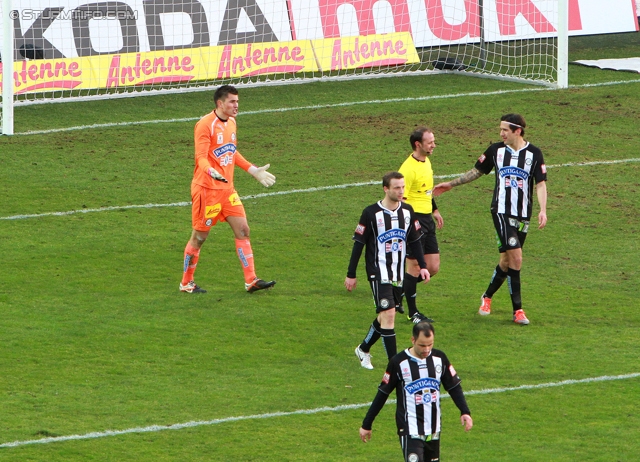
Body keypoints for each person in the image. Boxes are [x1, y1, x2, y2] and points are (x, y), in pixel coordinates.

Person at [432, 114, 547, 324]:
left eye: (505, 130)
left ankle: (486, 297)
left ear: (517, 131)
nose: (501, 133)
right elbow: (477, 171)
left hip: (523, 215)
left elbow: (540, 184)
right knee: (517, 258)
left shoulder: (534, 154)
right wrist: (451, 184)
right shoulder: (496, 151)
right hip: (500, 212)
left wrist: (543, 209)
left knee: (505, 261)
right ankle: (518, 311)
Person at [179, 85, 277, 294]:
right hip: (207, 191)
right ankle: (186, 282)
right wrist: (209, 171)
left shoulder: (232, 122)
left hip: (227, 191)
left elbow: (231, 151)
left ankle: (251, 280)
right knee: (199, 238)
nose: (236, 106)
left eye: (237, 101)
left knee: (243, 230)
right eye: (232, 102)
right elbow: (201, 157)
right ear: (220, 103)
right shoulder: (205, 125)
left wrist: (253, 170)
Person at [346, 172, 430, 370]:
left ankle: (363, 349)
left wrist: (423, 266)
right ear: (386, 189)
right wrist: (351, 274)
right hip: (378, 272)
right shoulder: (370, 213)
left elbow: (415, 241)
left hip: (397, 273)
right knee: (389, 314)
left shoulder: (408, 211)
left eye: (402, 187)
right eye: (396, 188)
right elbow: (358, 244)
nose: (401, 191)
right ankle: (396, 365)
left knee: (384, 316)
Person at [359, 321, 473, 462]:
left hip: (433, 428)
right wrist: (367, 424)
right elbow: (383, 393)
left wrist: (465, 411)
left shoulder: (440, 359)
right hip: (409, 428)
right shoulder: (398, 362)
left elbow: (454, 386)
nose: (426, 349)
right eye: (422, 345)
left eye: (430, 344)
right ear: (413, 340)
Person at [399, 127, 444, 324]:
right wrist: (411, 224)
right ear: (418, 144)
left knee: (432, 266)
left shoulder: (426, 161)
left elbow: (426, 191)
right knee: (415, 266)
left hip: (426, 218)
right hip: (414, 219)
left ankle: (400, 292)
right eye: (430, 142)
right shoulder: (407, 169)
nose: (433, 145)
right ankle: (413, 312)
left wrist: (434, 210)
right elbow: (402, 200)